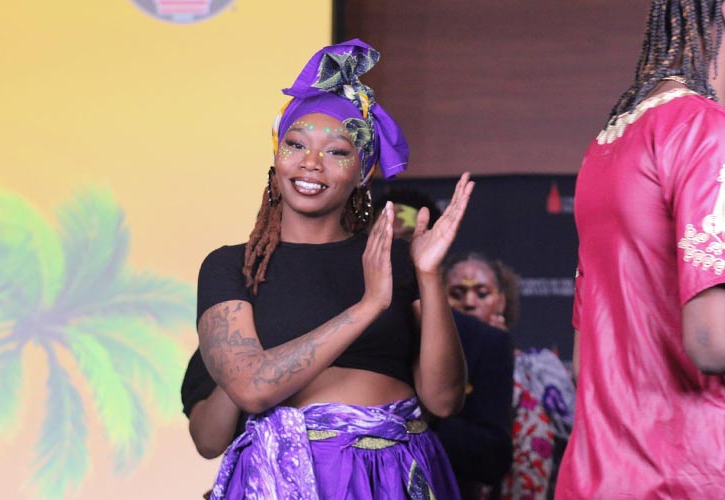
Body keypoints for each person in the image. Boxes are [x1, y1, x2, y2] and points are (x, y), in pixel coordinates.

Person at [195, 39, 472, 499]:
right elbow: (250, 387)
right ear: (276, 154)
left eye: (337, 151)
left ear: (363, 170)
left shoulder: (397, 261)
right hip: (285, 476)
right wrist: (369, 307)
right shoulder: (232, 265)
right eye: (296, 143)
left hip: (395, 473)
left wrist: (427, 275)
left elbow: (445, 400)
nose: (311, 163)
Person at [557, 2, 725, 498]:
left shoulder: (608, 143)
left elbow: (583, 362)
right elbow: (712, 341)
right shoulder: (704, 129)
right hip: (692, 472)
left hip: (600, 473)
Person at [374, 188, 515, 500]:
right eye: (381, 236)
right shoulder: (344, 322)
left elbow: (493, 457)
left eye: (407, 239)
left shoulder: (482, 340)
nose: (394, 251)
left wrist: (419, 417)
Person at [444, 253, 575, 500]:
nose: (469, 303)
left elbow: (570, 442)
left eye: (482, 293)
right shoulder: (425, 364)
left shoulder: (538, 368)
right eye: (456, 294)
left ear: (501, 302)